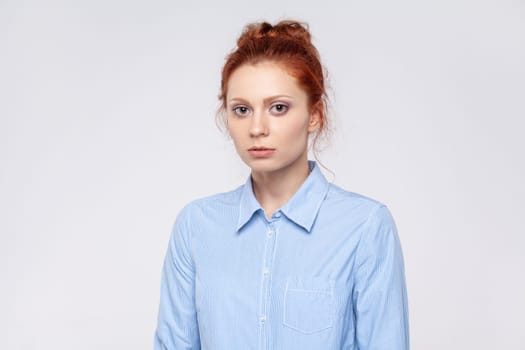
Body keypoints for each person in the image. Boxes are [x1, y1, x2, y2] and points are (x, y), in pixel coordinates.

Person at [154, 20, 409, 350]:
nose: (257, 127)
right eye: (242, 109)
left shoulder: (365, 227)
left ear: (314, 115)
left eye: (278, 107)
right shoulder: (195, 226)